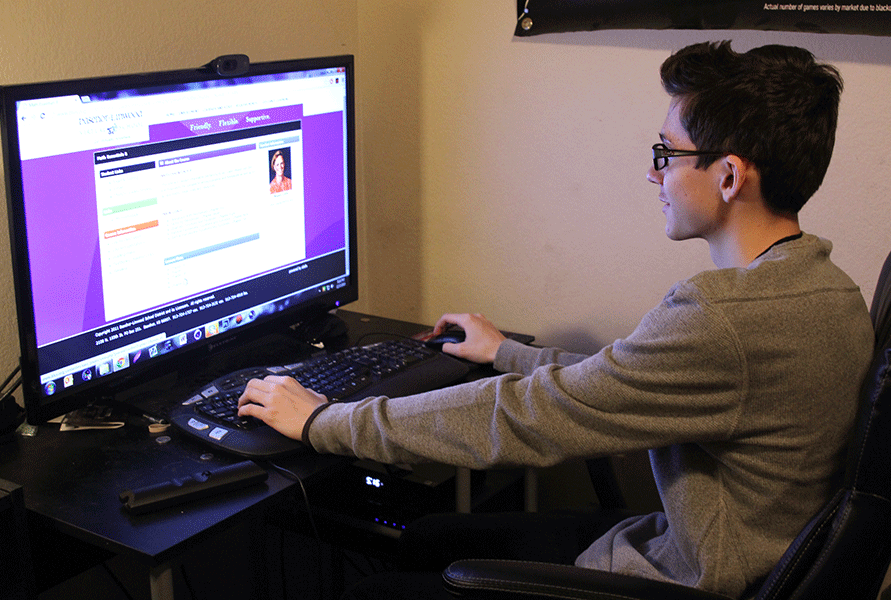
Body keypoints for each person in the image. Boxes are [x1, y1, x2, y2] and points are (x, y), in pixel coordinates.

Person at [239, 41, 874, 599]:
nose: (653, 172)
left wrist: (324, 421)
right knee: (426, 537)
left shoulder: (722, 318)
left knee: (375, 590)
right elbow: (623, 381)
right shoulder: (826, 290)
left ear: (730, 175)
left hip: (686, 581)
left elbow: (524, 417)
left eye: (667, 153)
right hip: (719, 556)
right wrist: (506, 352)